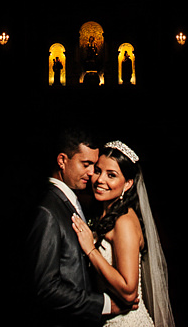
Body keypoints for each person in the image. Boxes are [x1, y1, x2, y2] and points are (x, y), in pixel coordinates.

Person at [26, 128, 138, 326]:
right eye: (89, 166)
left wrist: (91, 249)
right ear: (62, 161)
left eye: (94, 166)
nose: (94, 176)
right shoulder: (48, 210)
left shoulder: (120, 218)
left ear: (128, 183)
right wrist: (104, 305)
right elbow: (46, 287)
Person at [71, 141, 175, 327]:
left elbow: (129, 291)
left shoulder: (124, 221)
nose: (100, 180)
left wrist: (91, 250)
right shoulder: (102, 212)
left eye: (111, 175)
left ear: (127, 184)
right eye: (97, 171)